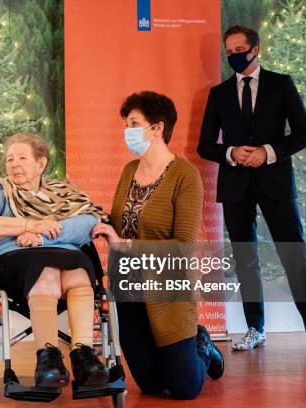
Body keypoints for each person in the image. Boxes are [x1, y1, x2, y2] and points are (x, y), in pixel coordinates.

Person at [197, 25, 306, 353]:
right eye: (229, 51)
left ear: (255, 49)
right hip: (235, 185)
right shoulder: (219, 94)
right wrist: (230, 153)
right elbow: (205, 145)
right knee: (245, 259)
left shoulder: (281, 84)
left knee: (294, 256)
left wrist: (268, 152)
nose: (234, 56)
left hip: (276, 182)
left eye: (239, 49)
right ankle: (255, 328)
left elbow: (303, 132)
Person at [94, 91, 224, 400]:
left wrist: (125, 245)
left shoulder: (184, 175)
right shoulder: (129, 171)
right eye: (126, 123)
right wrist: (93, 217)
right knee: (151, 386)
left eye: (134, 123)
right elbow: (119, 223)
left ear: (157, 128)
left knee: (184, 389)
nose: (128, 130)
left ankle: (202, 343)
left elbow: (182, 247)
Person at [0, 133, 110, 389]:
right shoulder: (0, 192)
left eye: (22, 158)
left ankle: (83, 355)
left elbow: (90, 221)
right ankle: (48, 359)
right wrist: (27, 225)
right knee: (46, 273)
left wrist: (41, 235)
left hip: (61, 253)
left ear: (41, 164)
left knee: (79, 273)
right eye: (10, 159)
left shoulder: (63, 192)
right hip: (13, 258)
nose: (14, 164)